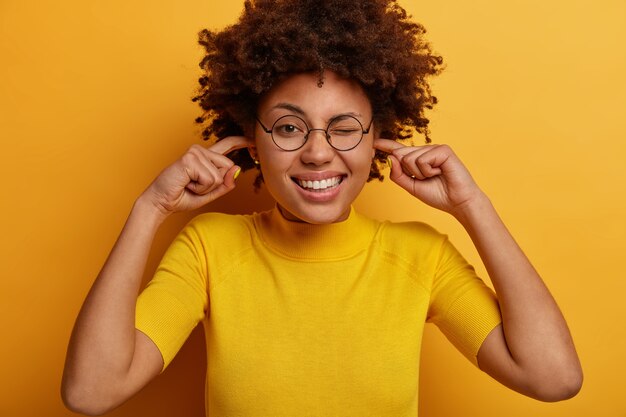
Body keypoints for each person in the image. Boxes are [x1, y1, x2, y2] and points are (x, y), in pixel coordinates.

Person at [61, 0, 583, 415]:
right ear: (251, 141)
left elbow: (553, 378)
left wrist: (473, 206)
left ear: (378, 137)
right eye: (288, 127)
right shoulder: (209, 248)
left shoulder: (421, 257)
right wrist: (150, 207)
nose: (316, 151)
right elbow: (90, 393)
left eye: (344, 127)